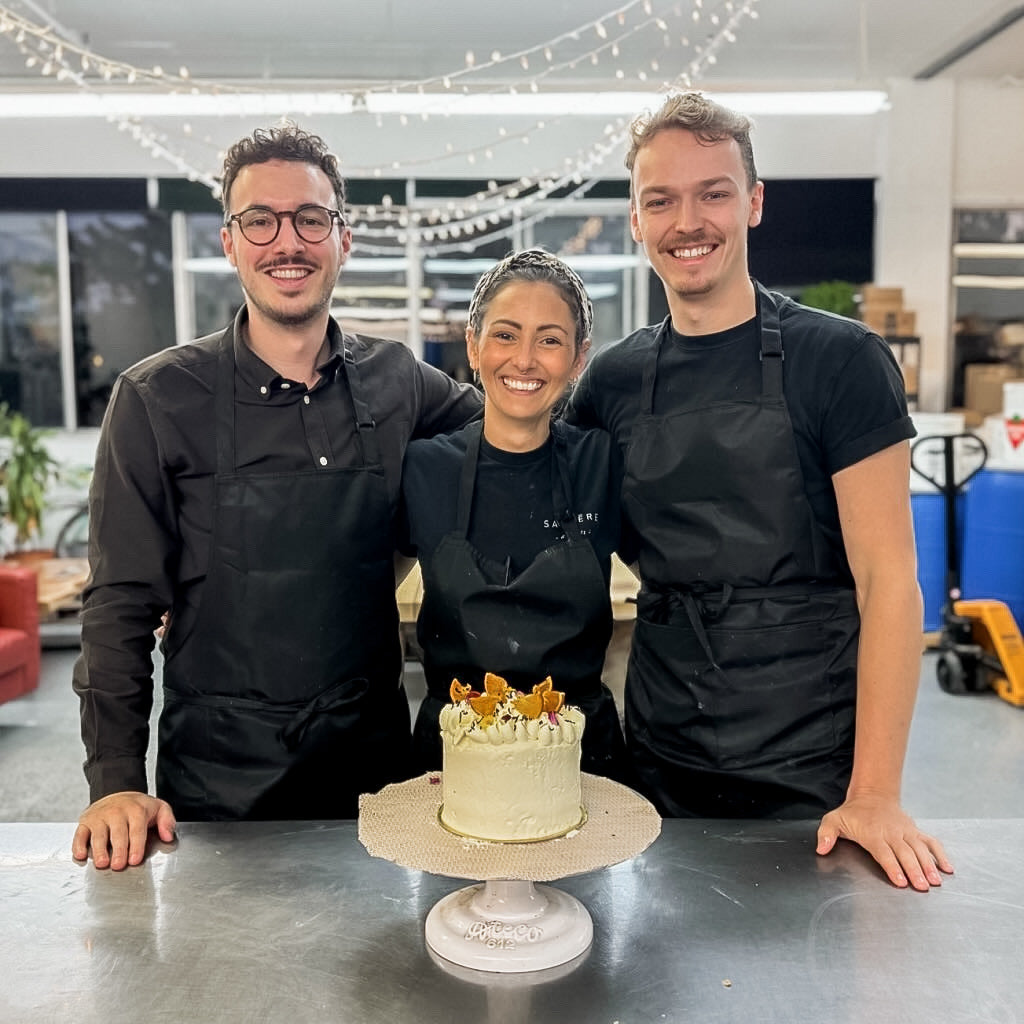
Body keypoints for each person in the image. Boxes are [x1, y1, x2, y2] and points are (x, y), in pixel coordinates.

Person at [566, 92, 954, 891]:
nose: (689, 222)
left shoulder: (840, 362)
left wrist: (875, 795)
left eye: (713, 192)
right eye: (660, 200)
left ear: (755, 201)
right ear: (636, 221)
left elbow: (891, 582)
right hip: (662, 753)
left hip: (812, 768)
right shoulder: (613, 382)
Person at [71, 123, 481, 870]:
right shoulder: (157, 399)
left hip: (374, 774)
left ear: (343, 239)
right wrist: (116, 780)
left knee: (385, 984)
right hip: (221, 786)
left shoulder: (403, 383)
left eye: (310, 219)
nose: (285, 240)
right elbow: (119, 605)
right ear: (230, 243)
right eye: (259, 219)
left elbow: (511, 438)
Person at [401, 249, 629, 781]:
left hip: (582, 764)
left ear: (578, 359)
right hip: (451, 768)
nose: (524, 359)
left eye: (549, 340)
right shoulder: (424, 468)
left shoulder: (604, 463)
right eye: (505, 335)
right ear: (473, 347)